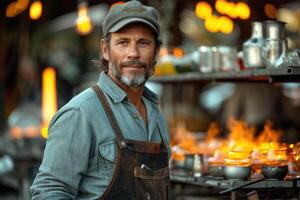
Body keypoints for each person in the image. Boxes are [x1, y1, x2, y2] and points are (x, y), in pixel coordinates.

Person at [30, 1, 171, 199]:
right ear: (105, 49)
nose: (133, 53)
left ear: (156, 51)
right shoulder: (80, 114)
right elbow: (49, 192)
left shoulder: (157, 116)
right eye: (122, 42)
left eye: (143, 43)